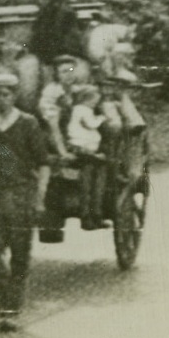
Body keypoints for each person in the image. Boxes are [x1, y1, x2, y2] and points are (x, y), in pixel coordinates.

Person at [0, 73, 51, 332]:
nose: (2, 99)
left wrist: (39, 198)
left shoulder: (28, 124)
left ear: (15, 96)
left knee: (20, 255)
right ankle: (4, 296)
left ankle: (10, 310)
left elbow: (43, 163)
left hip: (21, 195)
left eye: (6, 94)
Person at [67, 84, 109, 230]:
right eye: (93, 102)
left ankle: (95, 214)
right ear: (85, 99)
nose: (94, 104)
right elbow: (91, 124)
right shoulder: (81, 110)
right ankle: (88, 215)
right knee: (89, 177)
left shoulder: (83, 109)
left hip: (86, 147)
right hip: (81, 148)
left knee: (96, 172)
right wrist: (102, 118)